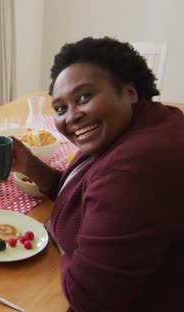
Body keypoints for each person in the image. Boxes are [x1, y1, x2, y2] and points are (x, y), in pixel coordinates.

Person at [11, 37, 184, 311]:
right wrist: (30, 165)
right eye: (60, 108)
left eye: (83, 97)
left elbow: (89, 295)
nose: (71, 116)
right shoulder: (146, 122)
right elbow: (84, 194)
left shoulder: (136, 163)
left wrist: (59, 238)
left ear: (130, 91)